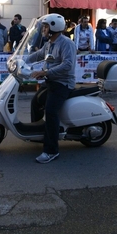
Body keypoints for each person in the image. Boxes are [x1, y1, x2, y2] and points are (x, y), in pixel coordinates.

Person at [26, 14, 76, 164]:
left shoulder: (66, 44)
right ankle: (40, 136)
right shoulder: (49, 43)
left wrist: (45, 72)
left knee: (51, 111)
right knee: (35, 103)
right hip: (51, 81)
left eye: (46, 27)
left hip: (63, 83)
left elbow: (67, 65)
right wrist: (21, 60)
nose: (44, 29)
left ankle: (51, 150)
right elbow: (39, 54)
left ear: (54, 28)